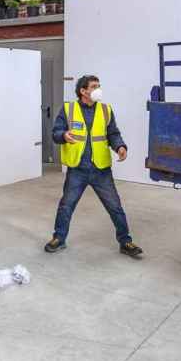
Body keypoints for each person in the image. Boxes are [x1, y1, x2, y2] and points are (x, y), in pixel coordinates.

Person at [45, 75, 143, 259]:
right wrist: (64, 135)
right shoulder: (69, 109)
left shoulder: (106, 110)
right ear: (83, 91)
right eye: (94, 86)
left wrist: (120, 147)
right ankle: (59, 238)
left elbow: (113, 133)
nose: (98, 89)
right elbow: (56, 133)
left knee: (115, 207)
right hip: (78, 169)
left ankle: (125, 241)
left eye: (99, 85)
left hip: (101, 170)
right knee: (66, 206)